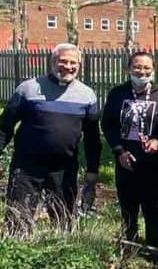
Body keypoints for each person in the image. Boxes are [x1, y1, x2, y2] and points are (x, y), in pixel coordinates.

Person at [0, 43, 101, 229]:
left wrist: (93, 169)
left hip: (64, 168)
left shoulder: (87, 95)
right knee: (18, 219)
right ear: (53, 61)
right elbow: (5, 126)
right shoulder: (28, 89)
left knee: (63, 219)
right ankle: (18, 252)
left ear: (80, 65)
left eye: (73, 63)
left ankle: (59, 254)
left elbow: (92, 138)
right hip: (27, 167)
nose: (68, 67)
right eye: (63, 61)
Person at [101, 51, 158, 249]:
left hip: (153, 163)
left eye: (146, 68)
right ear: (128, 69)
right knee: (128, 208)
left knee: (151, 207)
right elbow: (108, 125)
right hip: (126, 160)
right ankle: (129, 245)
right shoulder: (117, 94)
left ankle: (152, 247)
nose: (141, 71)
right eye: (137, 67)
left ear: (153, 70)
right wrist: (119, 151)